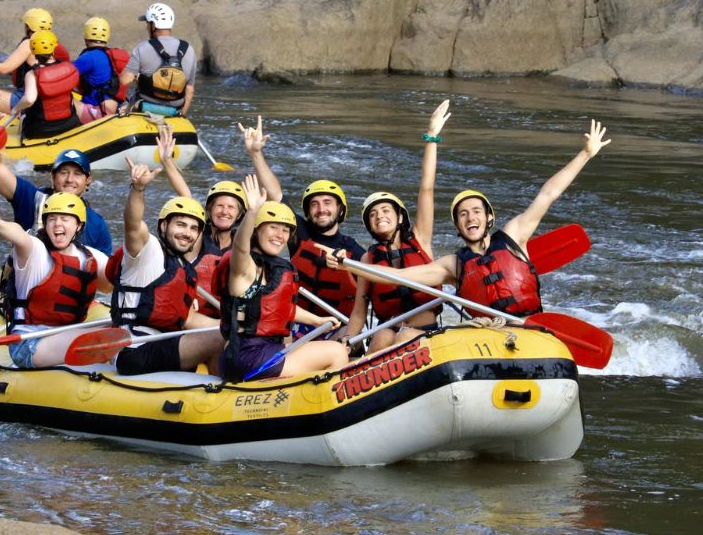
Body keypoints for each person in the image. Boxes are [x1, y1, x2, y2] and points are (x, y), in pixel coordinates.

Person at [324, 120, 613, 319]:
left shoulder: (514, 235)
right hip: (488, 334)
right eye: (462, 214)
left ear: (489, 217)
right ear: (458, 226)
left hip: (529, 326)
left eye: (476, 211)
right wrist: (349, 265)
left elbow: (548, 194)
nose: (470, 217)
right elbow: (398, 276)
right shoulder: (452, 265)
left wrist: (585, 154)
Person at [241, 116, 364, 335]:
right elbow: (275, 195)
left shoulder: (353, 249)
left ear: (340, 210)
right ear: (308, 212)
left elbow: (378, 277)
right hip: (296, 321)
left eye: (327, 203)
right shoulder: (300, 232)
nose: (321, 209)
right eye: (314, 204)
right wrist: (256, 153)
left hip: (336, 326)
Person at [345, 100, 450, 353]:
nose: (379, 216)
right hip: (388, 331)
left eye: (385, 210)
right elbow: (359, 311)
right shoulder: (368, 259)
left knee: (403, 337)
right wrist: (345, 342)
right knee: (382, 336)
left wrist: (431, 137)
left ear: (400, 217)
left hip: (424, 332)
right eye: (373, 214)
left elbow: (427, 188)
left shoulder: (420, 238)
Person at [218, 174, 347, 382]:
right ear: (256, 230)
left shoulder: (272, 268)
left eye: (285, 230)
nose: (280, 235)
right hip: (250, 357)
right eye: (273, 227)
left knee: (293, 342)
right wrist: (252, 212)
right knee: (337, 352)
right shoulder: (245, 266)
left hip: (251, 356)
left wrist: (317, 320)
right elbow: (240, 247)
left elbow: (280, 308)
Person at [105, 156, 225, 376]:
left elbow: (188, 319)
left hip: (164, 343)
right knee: (220, 339)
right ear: (163, 226)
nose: (187, 233)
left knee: (228, 333)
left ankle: (220, 385)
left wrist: (230, 324)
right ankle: (224, 392)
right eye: (180, 224)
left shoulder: (184, 269)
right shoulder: (147, 251)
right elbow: (133, 224)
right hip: (134, 349)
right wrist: (138, 189)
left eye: (193, 228)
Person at [0, 189, 112, 368]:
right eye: (52, 219)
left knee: (118, 326)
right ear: (45, 224)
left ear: (79, 226)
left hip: (63, 335)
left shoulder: (90, 256)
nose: (57, 224)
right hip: (29, 344)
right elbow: (20, 236)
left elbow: (114, 282)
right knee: (108, 335)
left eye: (65, 219)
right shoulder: (35, 250)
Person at [0, 89, 112, 254]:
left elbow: (105, 266)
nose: (70, 179)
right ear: (52, 177)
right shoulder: (30, 198)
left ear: (88, 180)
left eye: (77, 174)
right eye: (63, 172)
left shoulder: (97, 225)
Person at [154, 124, 246, 316]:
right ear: (209, 209)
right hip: (192, 311)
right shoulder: (196, 235)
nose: (224, 212)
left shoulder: (244, 241)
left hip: (227, 314)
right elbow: (186, 196)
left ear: (239, 215)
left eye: (231, 207)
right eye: (219, 206)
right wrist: (167, 161)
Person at [0, 7, 71, 114]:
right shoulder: (54, 43)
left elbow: (3, 69)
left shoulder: (29, 44)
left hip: (28, 100)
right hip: (49, 97)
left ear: (28, 27)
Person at [117, 3, 196, 117]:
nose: (146, 27)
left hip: (144, 106)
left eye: (147, 23)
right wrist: (182, 115)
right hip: (174, 110)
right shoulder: (189, 49)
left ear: (153, 25)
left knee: (122, 104)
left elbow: (124, 80)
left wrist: (137, 77)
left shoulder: (142, 47)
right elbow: (189, 89)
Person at [11, 30, 81, 139]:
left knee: (24, 116)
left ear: (33, 51)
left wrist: (15, 109)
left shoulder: (32, 74)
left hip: (41, 129)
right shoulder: (68, 67)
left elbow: (29, 100)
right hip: (70, 123)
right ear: (54, 48)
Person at [72, 16, 128, 123]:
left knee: (62, 100)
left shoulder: (89, 57)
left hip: (99, 112)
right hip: (116, 106)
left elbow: (64, 75)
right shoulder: (112, 55)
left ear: (86, 36)